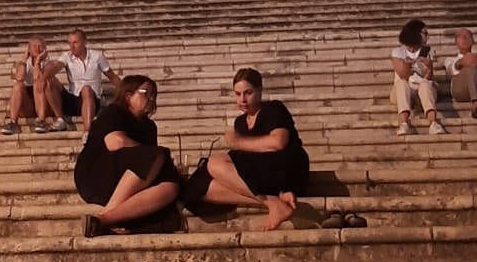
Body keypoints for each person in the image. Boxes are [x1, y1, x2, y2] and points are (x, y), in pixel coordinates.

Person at [182, 66, 310, 232]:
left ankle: (274, 202)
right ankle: (274, 201)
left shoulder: (273, 108)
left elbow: (278, 143)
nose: (242, 99)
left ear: (260, 90)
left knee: (215, 162)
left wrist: (237, 142)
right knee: (200, 187)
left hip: (287, 167)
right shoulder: (240, 122)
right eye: (237, 94)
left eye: (248, 93)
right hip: (259, 176)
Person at [74, 74, 181, 239]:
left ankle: (103, 220)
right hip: (95, 175)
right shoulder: (113, 112)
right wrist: (155, 155)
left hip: (128, 180)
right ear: (128, 96)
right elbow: (115, 142)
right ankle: (109, 212)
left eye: (154, 95)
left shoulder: (149, 127)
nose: (151, 99)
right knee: (157, 155)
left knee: (171, 185)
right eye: (146, 93)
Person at [43, 30, 120, 139]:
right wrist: (48, 66)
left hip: (92, 99)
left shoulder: (97, 56)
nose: (72, 46)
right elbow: (56, 67)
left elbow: (111, 76)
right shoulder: (67, 56)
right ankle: (60, 119)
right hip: (73, 99)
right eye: (69, 43)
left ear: (84, 42)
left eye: (75, 42)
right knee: (49, 80)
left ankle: (87, 131)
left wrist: (126, 91)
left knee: (86, 89)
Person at [392, 18, 445, 136]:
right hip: (404, 90)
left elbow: (429, 78)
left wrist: (429, 67)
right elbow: (403, 75)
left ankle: (433, 123)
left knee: (425, 84)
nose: (427, 37)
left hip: (422, 90)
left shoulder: (427, 52)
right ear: (415, 34)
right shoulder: (398, 52)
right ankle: (404, 124)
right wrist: (408, 64)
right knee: (401, 83)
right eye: (425, 33)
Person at [2, 38, 53, 135]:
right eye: (34, 46)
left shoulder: (49, 63)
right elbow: (19, 78)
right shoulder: (25, 63)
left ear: (45, 49)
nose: (37, 49)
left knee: (39, 83)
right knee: (18, 86)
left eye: (40, 46)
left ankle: (41, 121)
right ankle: (13, 122)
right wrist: (24, 59)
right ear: (29, 49)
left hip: (44, 99)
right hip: (28, 101)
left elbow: (37, 78)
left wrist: (38, 61)